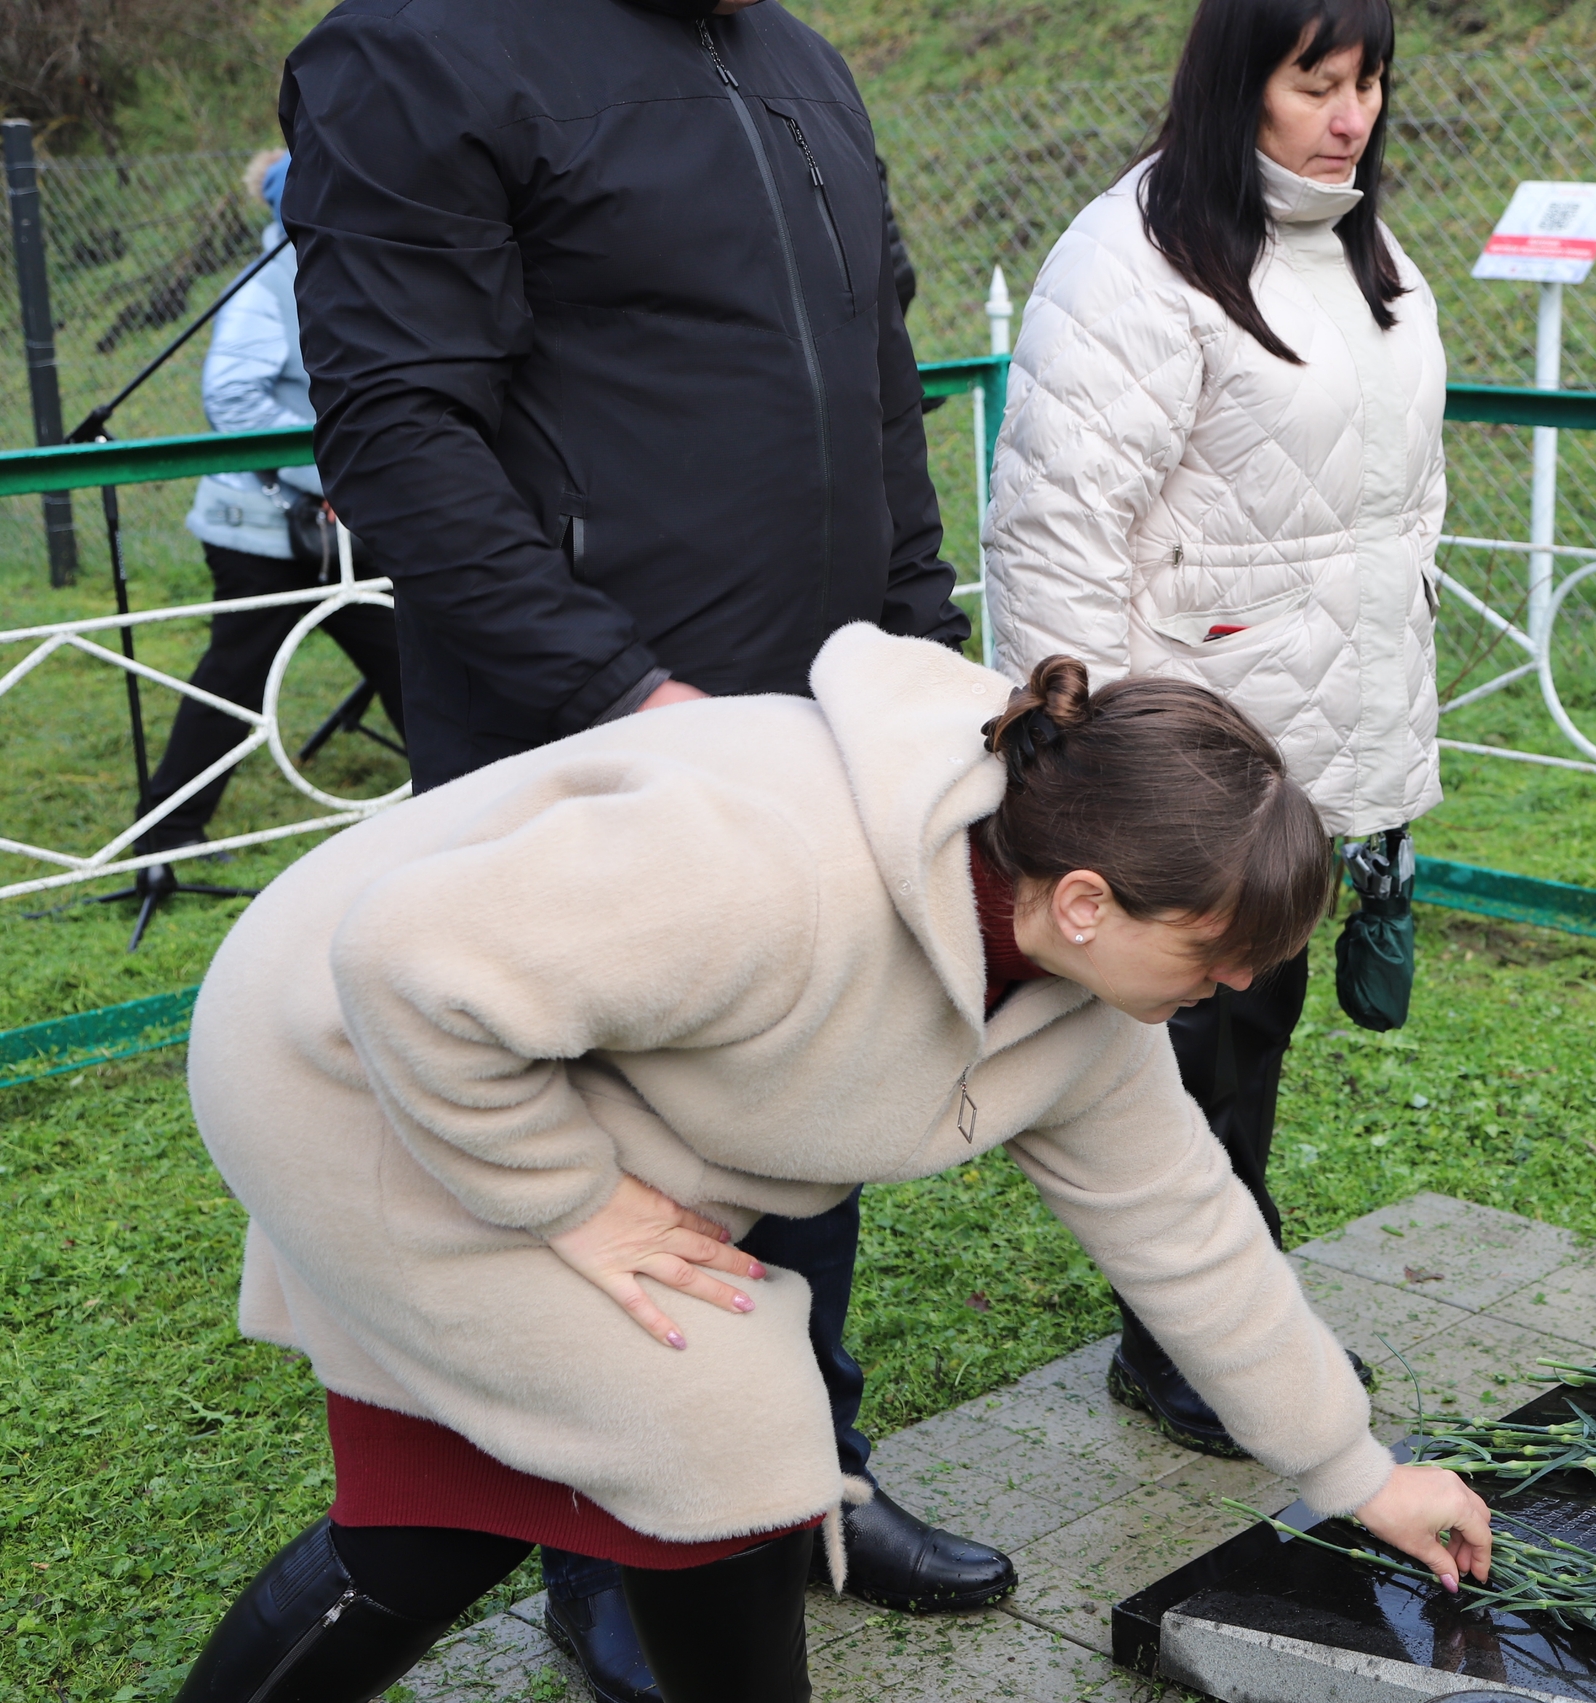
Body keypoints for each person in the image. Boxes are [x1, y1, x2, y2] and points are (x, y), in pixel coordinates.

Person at [169, 628, 1495, 1703]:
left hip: (515, 1067)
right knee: (725, 1414)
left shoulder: (1080, 998)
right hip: (339, 1060)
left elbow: (1188, 1229)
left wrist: (1358, 1471)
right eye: (1219, 949)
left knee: (441, 1517)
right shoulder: (776, 865)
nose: (1245, 981)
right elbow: (408, 961)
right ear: (1088, 899)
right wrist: (570, 1198)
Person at [278, 0, 1001, 1692]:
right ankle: (612, 1543)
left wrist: (914, 650)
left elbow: (874, 379)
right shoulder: (423, 48)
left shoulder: (801, 61)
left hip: (817, 732)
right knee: (624, 1174)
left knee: (805, 1113)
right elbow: (396, 428)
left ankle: (809, 1474)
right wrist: (625, 691)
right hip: (589, 747)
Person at [982, 0, 1446, 1457]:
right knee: (1188, 1049)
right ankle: (1185, 1340)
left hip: (1311, 730)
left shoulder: (1362, 255)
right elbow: (1059, 525)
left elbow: (1389, 511)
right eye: (1317, 81)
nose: (1350, 114)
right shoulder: (1134, 259)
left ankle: (1239, 1313)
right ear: (1238, 77)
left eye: (1368, 80)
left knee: (1256, 1027)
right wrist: (1093, 770)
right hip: (1187, 742)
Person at [134, 147, 403, 862]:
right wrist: (330, 469)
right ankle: (165, 833)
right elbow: (231, 399)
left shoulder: (342, 271)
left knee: (406, 648)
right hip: (262, 527)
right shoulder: (263, 286)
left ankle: (455, 791)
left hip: (339, 522)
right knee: (237, 678)